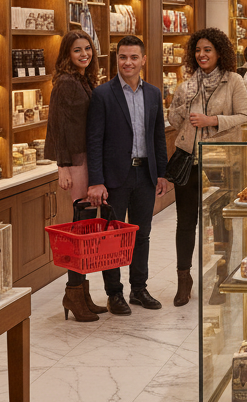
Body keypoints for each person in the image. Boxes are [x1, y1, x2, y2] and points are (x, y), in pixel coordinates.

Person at [86, 36, 172, 314]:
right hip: (114, 178)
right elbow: (94, 140)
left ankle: (138, 289)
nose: (128, 63)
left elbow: (158, 137)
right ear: (116, 59)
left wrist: (161, 173)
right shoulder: (102, 94)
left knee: (141, 235)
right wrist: (96, 181)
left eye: (134, 57)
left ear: (143, 60)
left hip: (145, 174)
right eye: (123, 57)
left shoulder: (153, 94)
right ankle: (114, 293)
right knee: (111, 238)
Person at [167, 28, 247, 307]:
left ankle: (221, 277)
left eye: (208, 50)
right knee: (185, 222)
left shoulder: (234, 81)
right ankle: (184, 280)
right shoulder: (187, 83)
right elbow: (175, 119)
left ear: (219, 53)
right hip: (189, 162)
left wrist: (212, 119)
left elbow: (244, 116)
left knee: (221, 221)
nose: (202, 55)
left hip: (221, 161)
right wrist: (183, 101)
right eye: (198, 50)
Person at [46, 30, 106, 322]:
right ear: (67, 55)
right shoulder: (66, 83)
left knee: (85, 227)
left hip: (84, 159)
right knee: (80, 229)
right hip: (76, 162)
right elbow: (57, 127)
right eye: (77, 51)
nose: (84, 55)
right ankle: (73, 291)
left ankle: (81, 292)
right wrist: (63, 167)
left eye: (87, 49)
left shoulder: (81, 80)